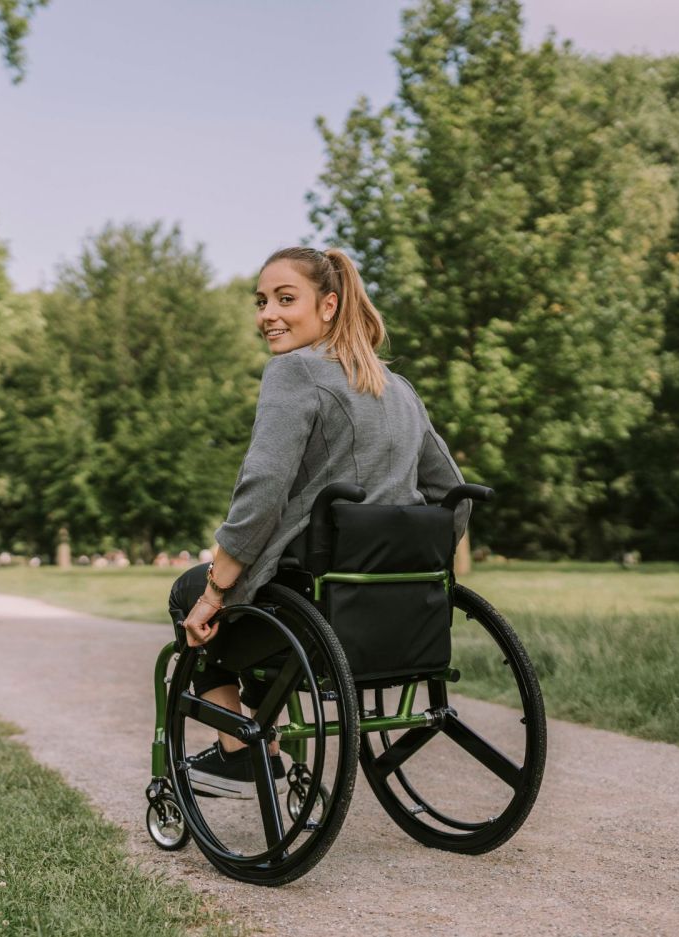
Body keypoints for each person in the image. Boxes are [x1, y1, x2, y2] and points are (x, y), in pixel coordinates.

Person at [167, 246, 469, 798]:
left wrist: (214, 590)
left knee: (187, 592)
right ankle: (269, 738)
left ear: (328, 306)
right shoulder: (397, 388)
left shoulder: (293, 371)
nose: (268, 315)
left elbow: (262, 492)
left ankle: (241, 754)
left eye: (286, 299)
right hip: (396, 616)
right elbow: (453, 496)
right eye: (261, 302)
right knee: (256, 597)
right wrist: (411, 570)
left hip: (312, 608)